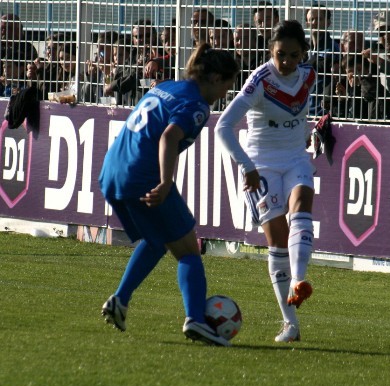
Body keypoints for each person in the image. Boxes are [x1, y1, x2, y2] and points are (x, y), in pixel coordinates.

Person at [99, 44, 240, 346]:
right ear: (215, 77)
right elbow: (169, 136)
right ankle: (196, 321)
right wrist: (165, 182)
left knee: (157, 239)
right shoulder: (197, 106)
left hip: (113, 168)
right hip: (142, 174)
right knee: (188, 249)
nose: (226, 94)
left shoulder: (167, 87)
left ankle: (119, 302)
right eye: (227, 86)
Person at [215, 20, 315, 343]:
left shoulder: (309, 77)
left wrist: (311, 133)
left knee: (302, 209)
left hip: (296, 157)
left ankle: (299, 280)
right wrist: (246, 167)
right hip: (261, 164)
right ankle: (291, 324)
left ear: (303, 54)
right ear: (271, 50)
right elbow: (223, 127)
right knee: (277, 238)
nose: (286, 62)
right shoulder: (259, 81)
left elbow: (300, 118)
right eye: (280, 54)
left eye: (293, 55)